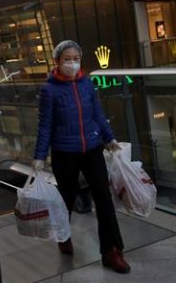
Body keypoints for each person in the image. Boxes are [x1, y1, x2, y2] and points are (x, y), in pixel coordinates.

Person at [32, 40, 130, 274]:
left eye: (76, 58)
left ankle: (111, 251)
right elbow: (45, 125)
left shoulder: (87, 83)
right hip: (64, 152)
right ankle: (63, 236)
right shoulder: (49, 90)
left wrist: (109, 138)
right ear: (57, 61)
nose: (72, 63)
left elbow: (97, 113)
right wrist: (39, 155)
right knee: (65, 199)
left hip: (92, 148)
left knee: (103, 198)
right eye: (67, 59)